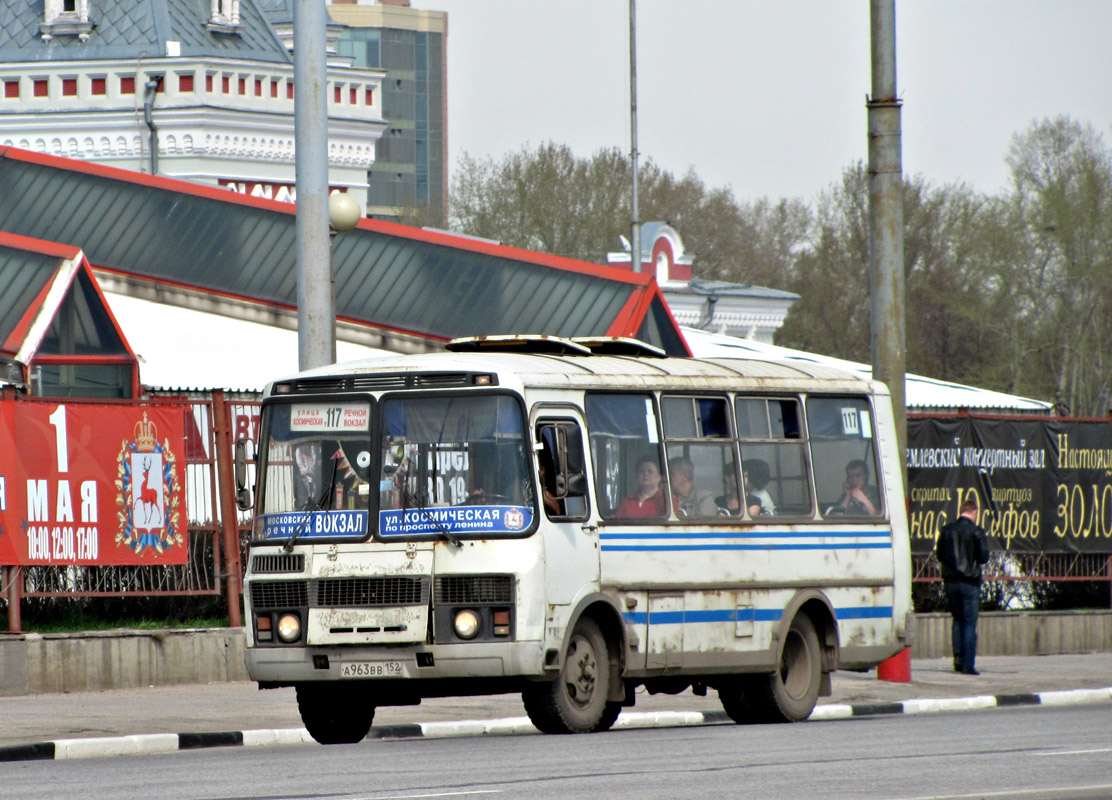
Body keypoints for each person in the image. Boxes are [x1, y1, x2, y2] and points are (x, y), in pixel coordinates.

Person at [936, 499, 990, 675]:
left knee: (957, 620)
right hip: (969, 582)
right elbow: (983, 558)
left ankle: (957, 659)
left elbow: (940, 555)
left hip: (950, 582)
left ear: (961, 511)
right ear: (974, 512)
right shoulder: (976, 531)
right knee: (969, 624)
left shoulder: (946, 530)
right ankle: (967, 664)